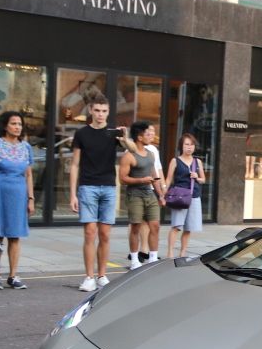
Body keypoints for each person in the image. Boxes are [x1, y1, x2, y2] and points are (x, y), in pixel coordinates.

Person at [68, 95, 125, 292]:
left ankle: (102, 275)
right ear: (90, 111)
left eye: (104, 111)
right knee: (90, 233)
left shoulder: (113, 133)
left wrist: (124, 138)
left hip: (109, 186)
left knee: (105, 234)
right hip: (88, 186)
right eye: (97, 110)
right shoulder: (82, 133)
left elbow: (132, 149)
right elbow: (74, 165)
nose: (100, 114)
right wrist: (73, 194)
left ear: (108, 113)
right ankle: (89, 277)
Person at [0, 111, 34, 289]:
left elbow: (28, 175)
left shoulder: (26, 147)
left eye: (20, 124)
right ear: (5, 126)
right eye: (14, 124)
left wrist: (31, 198)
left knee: (15, 235)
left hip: (19, 194)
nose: (17, 127)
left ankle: (13, 276)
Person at [119, 121, 165, 269]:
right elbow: (122, 179)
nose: (151, 136)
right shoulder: (129, 156)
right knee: (136, 227)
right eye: (147, 133)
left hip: (149, 194)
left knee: (155, 225)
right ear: (139, 137)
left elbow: (155, 176)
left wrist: (161, 195)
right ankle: (134, 260)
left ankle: (152, 258)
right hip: (135, 195)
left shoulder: (151, 153)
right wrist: (141, 180)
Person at [163, 133, 206, 257]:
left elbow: (203, 179)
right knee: (176, 226)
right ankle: (170, 253)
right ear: (181, 146)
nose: (189, 147)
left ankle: (182, 253)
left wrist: (197, 177)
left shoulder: (197, 162)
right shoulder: (175, 161)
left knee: (189, 228)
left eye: (192, 145)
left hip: (194, 196)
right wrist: (163, 195)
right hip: (180, 197)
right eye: (186, 144)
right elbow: (168, 179)